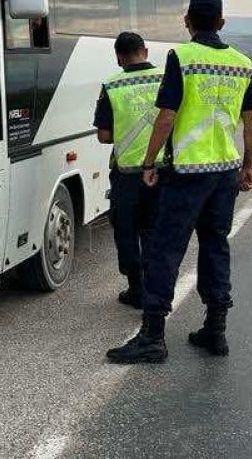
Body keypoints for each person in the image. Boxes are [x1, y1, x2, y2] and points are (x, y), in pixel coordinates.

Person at [106, 0, 252, 364]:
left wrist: (147, 163)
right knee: (215, 245)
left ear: (187, 21)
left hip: (187, 173)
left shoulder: (182, 57)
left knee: (164, 250)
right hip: (225, 172)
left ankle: (152, 337)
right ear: (222, 22)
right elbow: (251, 121)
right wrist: (249, 166)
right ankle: (215, 330)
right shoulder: (243, 63)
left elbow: (167, 116)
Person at [93, 32, 165, 308]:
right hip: (161, 170)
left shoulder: (112, 86)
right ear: (145, 51)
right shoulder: (164, 79)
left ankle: (136, 288)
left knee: (126, 231)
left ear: (118, 57)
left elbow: (104, 136)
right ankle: (155, 288)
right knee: (154, 230)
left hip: (127, 174)